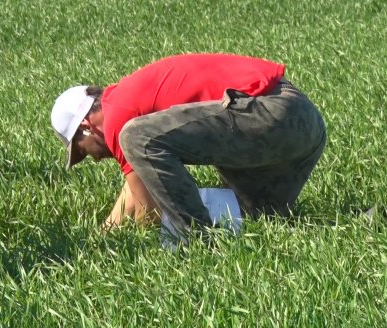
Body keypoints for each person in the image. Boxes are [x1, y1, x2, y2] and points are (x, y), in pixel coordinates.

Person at [50, 53, 326, 239]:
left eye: (83, 150)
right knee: (257, 218)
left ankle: (197, 242)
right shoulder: (125, 99)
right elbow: (137, 186)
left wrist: (134, 242)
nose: (94, 159)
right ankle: (365, 219)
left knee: (136, 137)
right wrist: (107, 230)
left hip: (274, 114)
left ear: (86, 126)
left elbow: (148, 210)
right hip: (304, 124)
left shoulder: (118, 116)